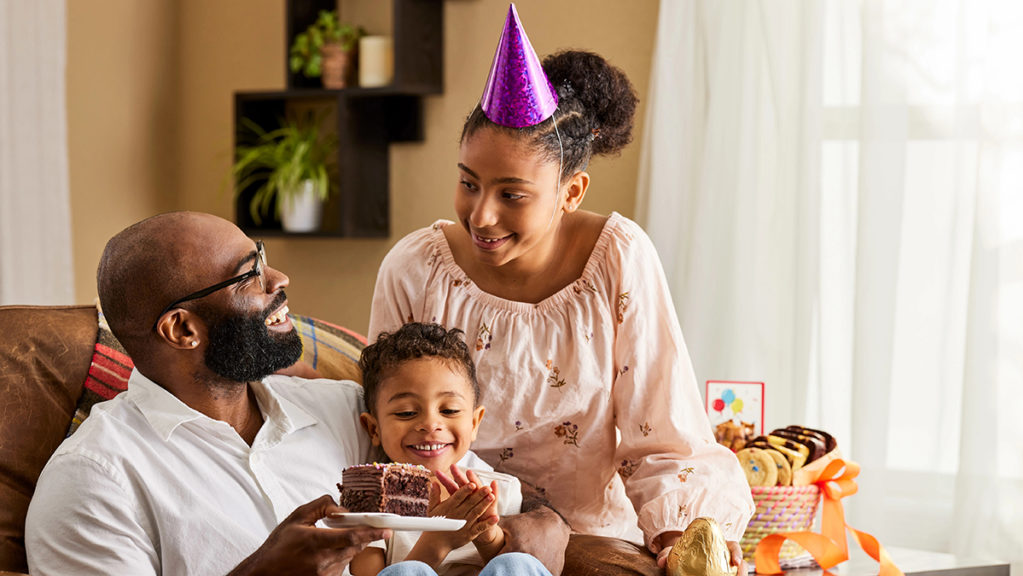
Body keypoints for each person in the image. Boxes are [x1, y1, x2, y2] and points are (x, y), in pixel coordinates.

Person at [367, 4, 755, 572]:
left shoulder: (617, 259)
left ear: (571, 192)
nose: (482, 215)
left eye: (512, 195)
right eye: (468, 183)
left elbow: (663, 434)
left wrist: (679, 535)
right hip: (439, 540)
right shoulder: (414, 268)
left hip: (585, 547)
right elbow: (380, 423)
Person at [24, 212, 567, 576]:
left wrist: (530, 533)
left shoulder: (341, 410)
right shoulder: (95, 481)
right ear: (183, 330)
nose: (278, 278)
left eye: (262, 257)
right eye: (248, 274)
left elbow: (483, 484)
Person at [350, 322, 550, 576]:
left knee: (516, 563)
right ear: (374, 429)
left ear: (474, 423)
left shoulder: (500, 490)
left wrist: (488, 536)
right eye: (407, 413)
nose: (431, 424)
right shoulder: (368, 498)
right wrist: (437, 542)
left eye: (449, 410)